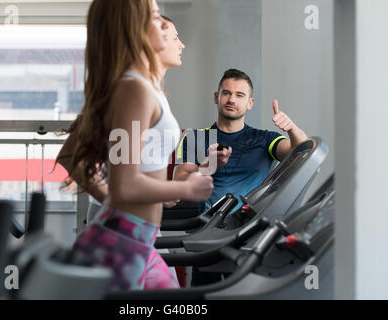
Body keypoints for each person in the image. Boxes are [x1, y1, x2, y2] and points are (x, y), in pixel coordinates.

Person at [60, 0, 213, 292]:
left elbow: (124, 182)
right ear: (135, 29)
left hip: (136, 237)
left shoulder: (140, 88)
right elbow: (126, 187)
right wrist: (185, 189)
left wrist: (151, 193)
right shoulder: (134, 90)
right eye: (157, 17)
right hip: (121, 244)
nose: (166, 26)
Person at [173, 68, 308, 285]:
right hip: (208, 238)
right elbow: (178, 187)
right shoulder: (195, 139)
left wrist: (291, 128)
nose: (231, 99)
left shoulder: (265, 139)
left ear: (250, 103)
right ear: (216, 97)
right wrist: (206, 167)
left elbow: (303, 151)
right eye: (226, 93)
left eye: (239, 95)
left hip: (252, 239)